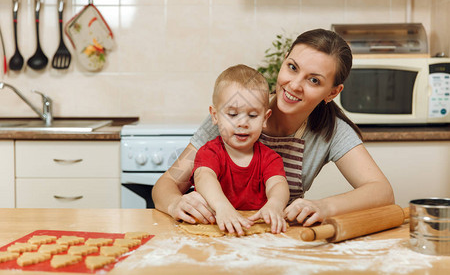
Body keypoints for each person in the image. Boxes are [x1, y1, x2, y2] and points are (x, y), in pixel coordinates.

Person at [153, 28, 395, 228]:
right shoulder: (234, 113)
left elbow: (382, 192)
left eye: (314, 80)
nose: (295, 85)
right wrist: (175, 204)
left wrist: (323, 206)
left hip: (274, 238)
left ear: (332, 92)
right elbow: (166, 185)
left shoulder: (332, 130)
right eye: (292, 67)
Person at [192, 64, 289, 236]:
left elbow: (278, 184)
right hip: (214, 231)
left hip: (255, 233)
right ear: (215, 116)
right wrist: (222, 207)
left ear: (265, 119)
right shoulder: (209, 152)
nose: (242, 123)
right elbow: (204, 177)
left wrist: (275, 204)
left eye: (252, 115)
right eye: (232, 114)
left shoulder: (270, 158)